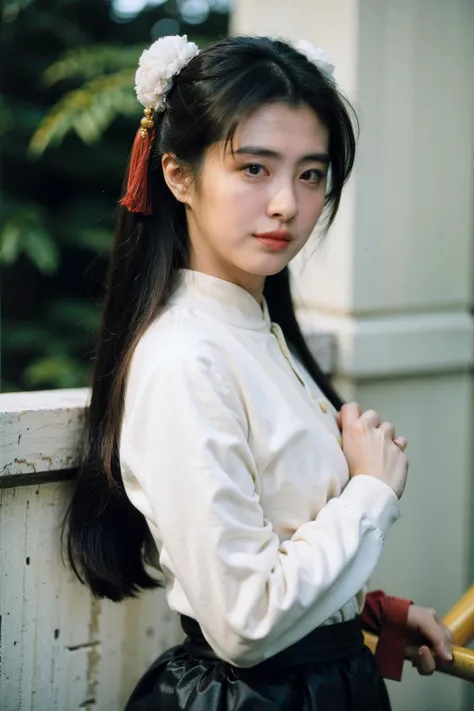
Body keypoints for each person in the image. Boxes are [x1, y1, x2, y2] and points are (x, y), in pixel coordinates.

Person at [64, 34, 454, 710]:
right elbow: (244, 623)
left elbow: (279, 537)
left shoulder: (257, 332)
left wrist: (364, 615)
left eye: (311, 173)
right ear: (178, 175)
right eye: (254, 168)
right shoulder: (187, 357)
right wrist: (369, 493)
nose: (287, 204)